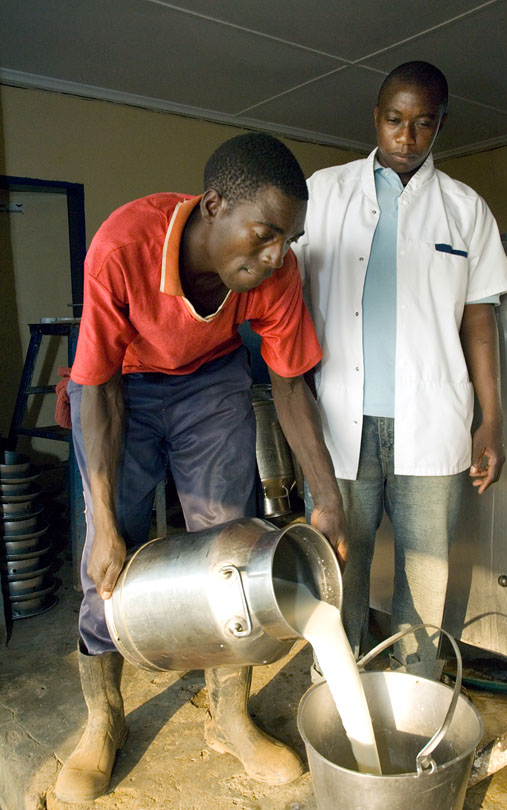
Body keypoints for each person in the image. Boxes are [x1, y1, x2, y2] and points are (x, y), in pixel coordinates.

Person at [55, 132, 347, 803]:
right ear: (214, 205)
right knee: (109, 552)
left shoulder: (275, 274)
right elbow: (94, 386)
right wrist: (102, 521)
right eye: (265, 234)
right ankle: (104, 720)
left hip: (209, 378)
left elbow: (291, 384)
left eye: (289, 240)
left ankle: (227, 714)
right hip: (119, 380)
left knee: (230, 549)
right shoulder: (124, 243)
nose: (276, 256)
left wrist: (327, 498)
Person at [293, 61, 507, 678]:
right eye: (395, 120)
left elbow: (480, 321)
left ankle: (417, 691)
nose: (406, 136)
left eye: (422, 124)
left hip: (434, 420)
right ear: (376, 118)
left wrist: (492, 420)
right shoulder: (324, 193)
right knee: (339, 563)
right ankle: (333, 686)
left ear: (441, 125)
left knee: (425, 569)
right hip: (340, 420)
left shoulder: (465, 210)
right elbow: (278, 289)